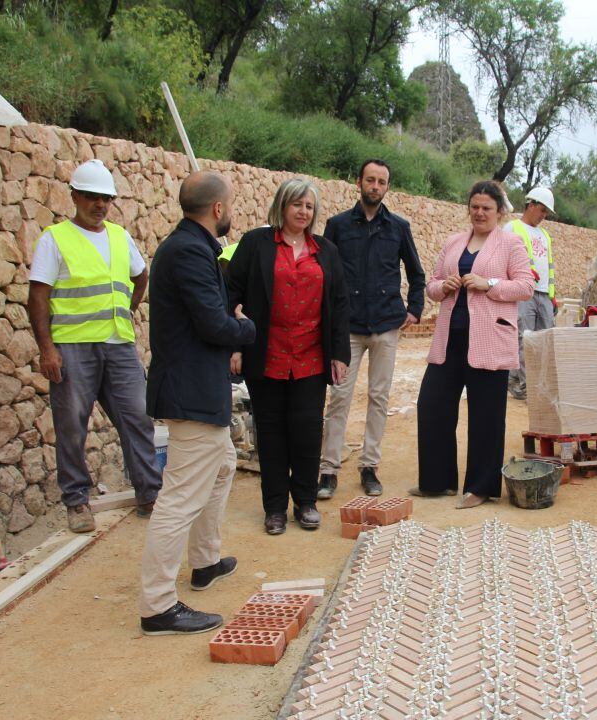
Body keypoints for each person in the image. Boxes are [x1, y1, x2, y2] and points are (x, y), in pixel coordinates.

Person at [138, 171, 256, 635]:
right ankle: (158, 606)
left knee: (224, 464)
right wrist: (249, 327)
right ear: (218, 210)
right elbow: (214, 324)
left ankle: (205, 562)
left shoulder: (192, 246)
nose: (233, 210)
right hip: (190, 391)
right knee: (179, 499)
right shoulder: (188, 250)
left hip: (195, 386)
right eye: (232, 204)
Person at [27, 159, 162, 534]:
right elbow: (38, 296)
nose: (99, 204)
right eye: (91, 196)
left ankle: (149, 492)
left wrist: (128, 310)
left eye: (105, 198)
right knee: (71, 425)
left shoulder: (120, 236)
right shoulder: (55, 239)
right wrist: (47, 349)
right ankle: (77, 500)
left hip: (118, 344)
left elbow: (140, 276)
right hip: (73, 347)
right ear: (74, 196)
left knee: (137, 416)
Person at [226, 179, 351, 535]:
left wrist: (339, 353)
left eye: (309, 206)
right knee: (271, 432)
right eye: (297, 204)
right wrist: (235, 345)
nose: (303, 212)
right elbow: (232, 293)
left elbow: (340, 304)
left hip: (311, 356)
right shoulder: (255, 244)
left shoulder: (325, 251)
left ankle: (306, 502)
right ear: (282, 206)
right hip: (267, 355)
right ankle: (275, 508)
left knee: (307, 431)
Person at [413, 181, 535, 508]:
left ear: (499, 212)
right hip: (450, 337)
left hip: (490, 338)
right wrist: (444, 287)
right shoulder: (454, 243)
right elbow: (433, 285)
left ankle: (481, 487)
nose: (479, 213)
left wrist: (489, 283)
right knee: (431, 405)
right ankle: (437, 482)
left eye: (487, 208)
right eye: (475, 206)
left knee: (487, 414)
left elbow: (525, 285)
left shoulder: (510, 244)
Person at [317, 159, 426, 500]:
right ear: (359, 182)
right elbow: (323, 274)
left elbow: (416, 273)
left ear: (387, 187)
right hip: (347, 327)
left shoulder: (398, 227)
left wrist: (415, 310)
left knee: (379, 398)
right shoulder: (337, 227)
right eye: (370, 180)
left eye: (381, 182)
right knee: (339, 398)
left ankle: (369, 466)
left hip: (385, 325)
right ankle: (328, 469)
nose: (375, 186)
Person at [505, 187, 557, 400]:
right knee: (525, 340)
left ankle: (537, 384)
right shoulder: (512, 228)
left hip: (544, 294)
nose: (544, 216)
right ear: (531, 205)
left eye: (546, 212)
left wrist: (552, 296)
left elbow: (549, 267)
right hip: (523, 293)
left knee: (545, 341)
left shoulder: (545, 235)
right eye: (542, 210)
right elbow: (503, 259)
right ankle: (526, 387)